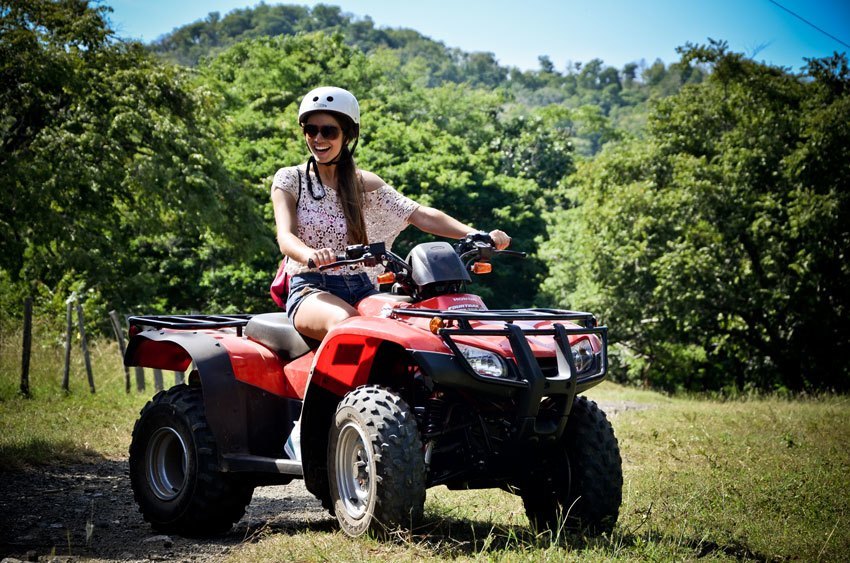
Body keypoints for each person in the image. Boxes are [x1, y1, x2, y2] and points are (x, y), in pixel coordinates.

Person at [271, 86, 510, 341]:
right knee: (348, 324)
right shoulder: (291, 179)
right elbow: (286, 237)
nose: (318, 138)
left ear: (347, 135)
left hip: (363, 287)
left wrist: (478, 235)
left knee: (414, 323)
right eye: (311, 130)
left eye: (328, 131)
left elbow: (420, 215)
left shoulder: (363, 183)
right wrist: (310, 254)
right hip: (311, 287)